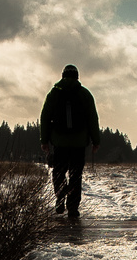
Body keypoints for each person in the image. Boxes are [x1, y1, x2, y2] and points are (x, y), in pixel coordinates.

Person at [39, 65, 100, 221]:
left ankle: (60, 197)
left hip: (59, 142)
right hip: (79, 143)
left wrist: (44, 140)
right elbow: (93, 118)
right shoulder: (85, 94)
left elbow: (45, 116)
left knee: (58, 173)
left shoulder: (54, 93)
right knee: (75, 176)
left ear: (62, 75)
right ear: (77, 77)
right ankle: (72, 208)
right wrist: (96, 141)